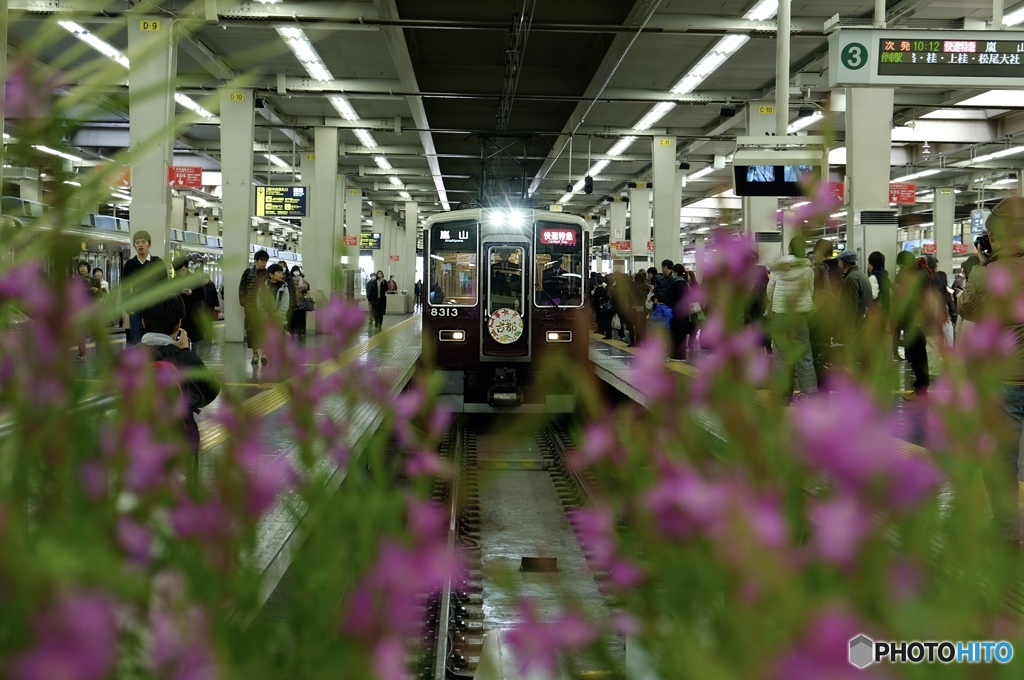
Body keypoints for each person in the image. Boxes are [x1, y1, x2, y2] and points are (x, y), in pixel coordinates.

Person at [958, 195, 1024, 545]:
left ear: (996, 236)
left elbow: (966, 309)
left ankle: (1008, 530)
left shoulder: (986, 276)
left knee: (1002, 461)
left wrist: (984, 263)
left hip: (1005, 381)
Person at [139, 295, 220, 471]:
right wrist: (185, 352)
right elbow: (209, 393)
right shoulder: (185, 358)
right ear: (178, 325)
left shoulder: (125, 359)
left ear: (143, 322)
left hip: (135, 444)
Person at [767, 236, 817, 399]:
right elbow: (810, 291)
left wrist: (775, 303)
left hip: (780, 315)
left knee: (780, 356)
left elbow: (770, 290)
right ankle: (809, 393)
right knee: (804, 355)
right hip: (799, 316)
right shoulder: (808, 270)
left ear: (789, 249)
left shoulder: (778, 268)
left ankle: (782, 394)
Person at [121, 230, 168, 345]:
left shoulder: (158, 263)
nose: (140, 245)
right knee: (137, 342)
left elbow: (165, 285)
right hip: (137, 311)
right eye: (137, 243)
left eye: (143, 242)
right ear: (134, 245)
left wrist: (163, 305)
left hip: (155, 310)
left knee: (155, 343)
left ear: (149, 244)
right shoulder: (130, 265)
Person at [238, 250, 271, 365]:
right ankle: (255, 353)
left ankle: (265, 353)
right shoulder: (248, 272)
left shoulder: (268, 274)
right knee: (251, 331)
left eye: (266, 261)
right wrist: (244, 302)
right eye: (262, 260)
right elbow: (242, 287)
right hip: (250, 307)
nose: (264, 263)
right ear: (256, 260)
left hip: (264, 309)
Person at [836, 250, 872, 346]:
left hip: (854, 329)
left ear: (842, 263)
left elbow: (850, 307)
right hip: (863, 325)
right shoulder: (861, 275)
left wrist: (848, 332)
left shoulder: (850, 279)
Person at [172, 258, 207, 351]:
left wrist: (192, 293)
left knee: (193, 343)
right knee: (178, 342)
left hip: (192, 315)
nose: (181, 273)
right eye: (178, 271)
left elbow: (202, 295)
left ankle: (192, 357)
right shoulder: (173, 281)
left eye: (183, 270)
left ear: (186, 268)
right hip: (179, 316)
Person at [76, 261, 101, 359]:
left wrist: (97, 291)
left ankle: (99, 350)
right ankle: (82, 353)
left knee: (96, 331)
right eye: (80, 267)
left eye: (84, 266)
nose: (82, 268)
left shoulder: (95, 280)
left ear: (88, 268)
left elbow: (100, 295)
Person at [267, 264, 292, 331]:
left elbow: (284, 305)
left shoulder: (284, 288)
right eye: (278, 272)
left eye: (282, 273)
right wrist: (266, 318)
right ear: (271, 275)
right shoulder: (263, 288)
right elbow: (260, 305)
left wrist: (276, 318)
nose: (281, 275)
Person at [289, 266, 310, 339]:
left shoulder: (303, 280)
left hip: (301, 303)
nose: (296, 272)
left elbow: (307, 287)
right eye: (295, 270)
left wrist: (303, 286)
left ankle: (299, 334)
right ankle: (292, 334)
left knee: (300, 319)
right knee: (292, 320)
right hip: (293, 302)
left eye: (298, 270)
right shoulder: (290, 280)